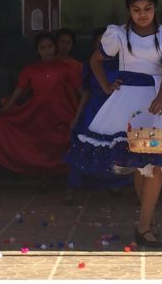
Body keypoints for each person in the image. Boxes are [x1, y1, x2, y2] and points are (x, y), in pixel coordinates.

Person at [66, 0, 162, 249]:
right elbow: (95, 60)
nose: (142, 14)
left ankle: (144, 225)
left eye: (147, 9)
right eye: (136, 10)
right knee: (139, 162)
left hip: (159, 100)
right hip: (128, 101)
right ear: (129, 10)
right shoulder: (118, 35)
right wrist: (106, 86)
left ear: (155, 8)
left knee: (156, 163)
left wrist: (160, 99)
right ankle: (147, 223)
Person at [0, 32, 81, 189]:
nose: (46, 50)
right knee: (42, 143)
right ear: (37, 51)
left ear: (55, 48)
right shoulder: (30, 69)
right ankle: (44, 178)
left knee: (62, 141)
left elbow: (78, 89)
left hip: (62, 109)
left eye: (49, 47)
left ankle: (68, 178)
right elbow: (19, 90)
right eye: (42, 48)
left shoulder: (66, 67)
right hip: (39, 111)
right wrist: (6, 108)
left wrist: (87, 106)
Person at [64, 27, 126, 205]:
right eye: (100, 43)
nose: (104, 46)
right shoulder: (90, 65)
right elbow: (86, 92)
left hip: (116, 111)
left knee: (115, 148)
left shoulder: (123, 64)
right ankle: (72, 188)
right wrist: (77, 115)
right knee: (82, 147)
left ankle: (115, 183)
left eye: (107, 43)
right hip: (93, 109)